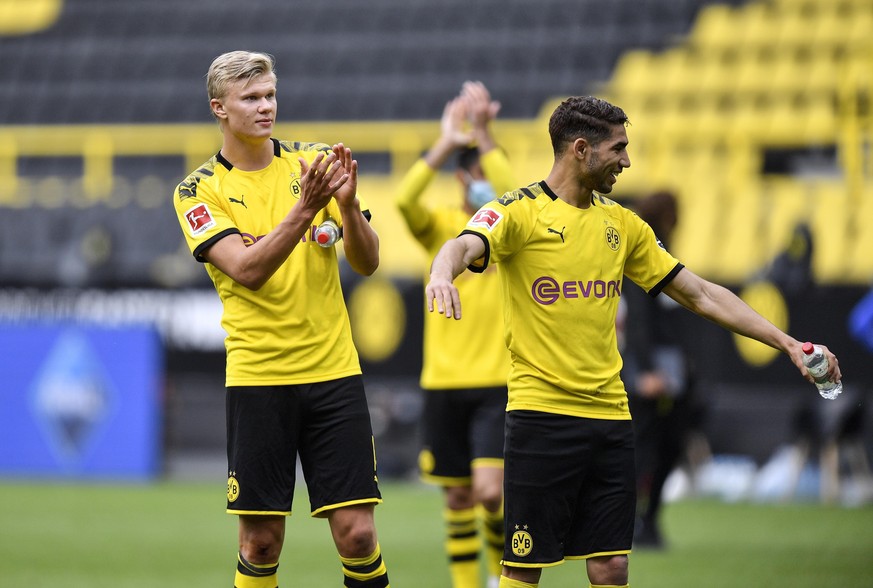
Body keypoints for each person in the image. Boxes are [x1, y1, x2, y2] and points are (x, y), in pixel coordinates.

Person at [424, 95, 841, 588]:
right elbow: (462, 245)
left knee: (612, 565)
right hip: (542, 419)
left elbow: (701, 293)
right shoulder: (519, 213)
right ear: (581, 149)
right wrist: (440, 274)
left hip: (611, 419)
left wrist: (788, 344)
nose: (626, 160)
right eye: (618, 148)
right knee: (523, 570)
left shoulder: (622, 224)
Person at [171, 51, 389, 588]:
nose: (266, 106)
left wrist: (348, 207)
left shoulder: (312, 162)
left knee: (358, 535)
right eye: (251, 98)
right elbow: (247, 270)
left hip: (334, 371)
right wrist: (304, 209)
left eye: (270, 94)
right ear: (219, 108)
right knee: (261, 542)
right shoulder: (197, 191)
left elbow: (367, 260)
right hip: (259, 377)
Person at [395, 81, 515, 588]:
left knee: (491, 492)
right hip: (442, 379)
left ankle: (499, 575)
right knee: (457, 497)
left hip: (496, 380)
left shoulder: (511, 229)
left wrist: (484, 134)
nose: (484, 182)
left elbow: (511, 193)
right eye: (476, 173)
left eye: (489, 172)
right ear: (462, 178)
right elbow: (403, 200)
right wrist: (446, 141)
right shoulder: (442, 225)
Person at [620, 190, 705, 549]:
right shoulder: (645, 252)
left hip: (671, 366)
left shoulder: (663, 251)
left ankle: (647, 520)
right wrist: (647, 370)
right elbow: (639, 319)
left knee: (665, 443)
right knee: (645, 445)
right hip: (654, 365)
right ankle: (633, 523)